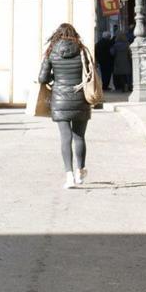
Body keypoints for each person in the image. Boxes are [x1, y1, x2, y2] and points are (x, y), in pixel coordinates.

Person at [39, 23, 93, 188]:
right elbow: (91, 72)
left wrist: (55, 76)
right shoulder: (82, 50)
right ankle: (80, 172)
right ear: (74, 34)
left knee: (65, 137)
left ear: (57, 35)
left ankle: (69, 175)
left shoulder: (52, 51)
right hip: (80, 98)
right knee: (79, 137)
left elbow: (42, 78)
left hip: (60, 100)